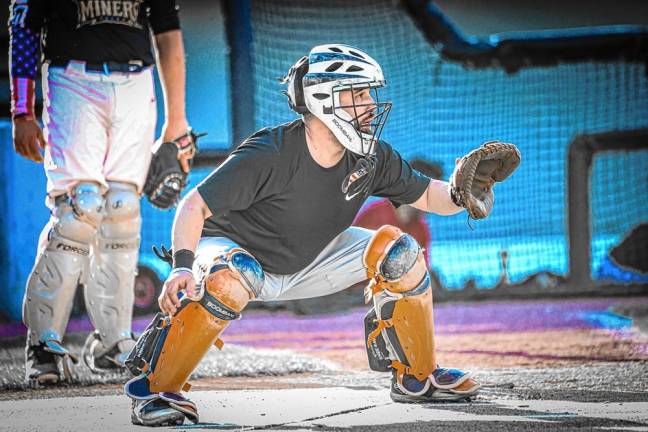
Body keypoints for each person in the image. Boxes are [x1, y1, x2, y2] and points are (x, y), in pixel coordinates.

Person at [124, 44, 485, 427]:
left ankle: (418, 377)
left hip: (309, 261)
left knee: (401, 253)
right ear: (323, 98)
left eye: (368, 94)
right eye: (359, 93)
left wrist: (462, 194)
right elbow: (193, 206)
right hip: (235, 256)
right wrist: (181, 268)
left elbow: (429, 194)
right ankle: (156, 389)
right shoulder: (270, 152)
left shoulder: (372, 156)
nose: (370, 104)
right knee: (230, 276)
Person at [9, 0, 193, 387]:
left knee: (123, 210)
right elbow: (24, 22)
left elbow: (167, 31)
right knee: (80, 210)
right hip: (71, 77)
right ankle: (43, 343)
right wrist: (22, 110)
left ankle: (113, 342)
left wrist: (177, 121)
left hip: (137, 82)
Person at [353, 158, 443, 265]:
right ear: (416, 188)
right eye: (431, 193)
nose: (436, 200)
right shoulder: (374, 216)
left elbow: (424, 271)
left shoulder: (421, 229)